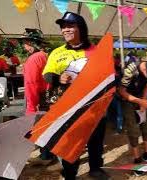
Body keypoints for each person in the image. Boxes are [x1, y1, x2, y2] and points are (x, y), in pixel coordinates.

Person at [42, 12, 109, 179]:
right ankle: (70, 174)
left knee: (95, 139)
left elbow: (108, 76)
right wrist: (59, 78)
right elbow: (47, 74)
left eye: (70, 25)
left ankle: (95, 168)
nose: (65, 29)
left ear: (81, 28)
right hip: (68, 107)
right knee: (71, 142)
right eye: (63, 27)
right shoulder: (56, 53)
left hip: (94, 106)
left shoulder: (96, 51)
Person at [21, 28, 49, 115]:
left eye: (24, 42)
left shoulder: (33, 58)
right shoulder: (44, 55)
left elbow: (31, 84)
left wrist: (31, 108)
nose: (23, 45)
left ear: (29, 42)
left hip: (37, 101)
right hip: (45, 98)